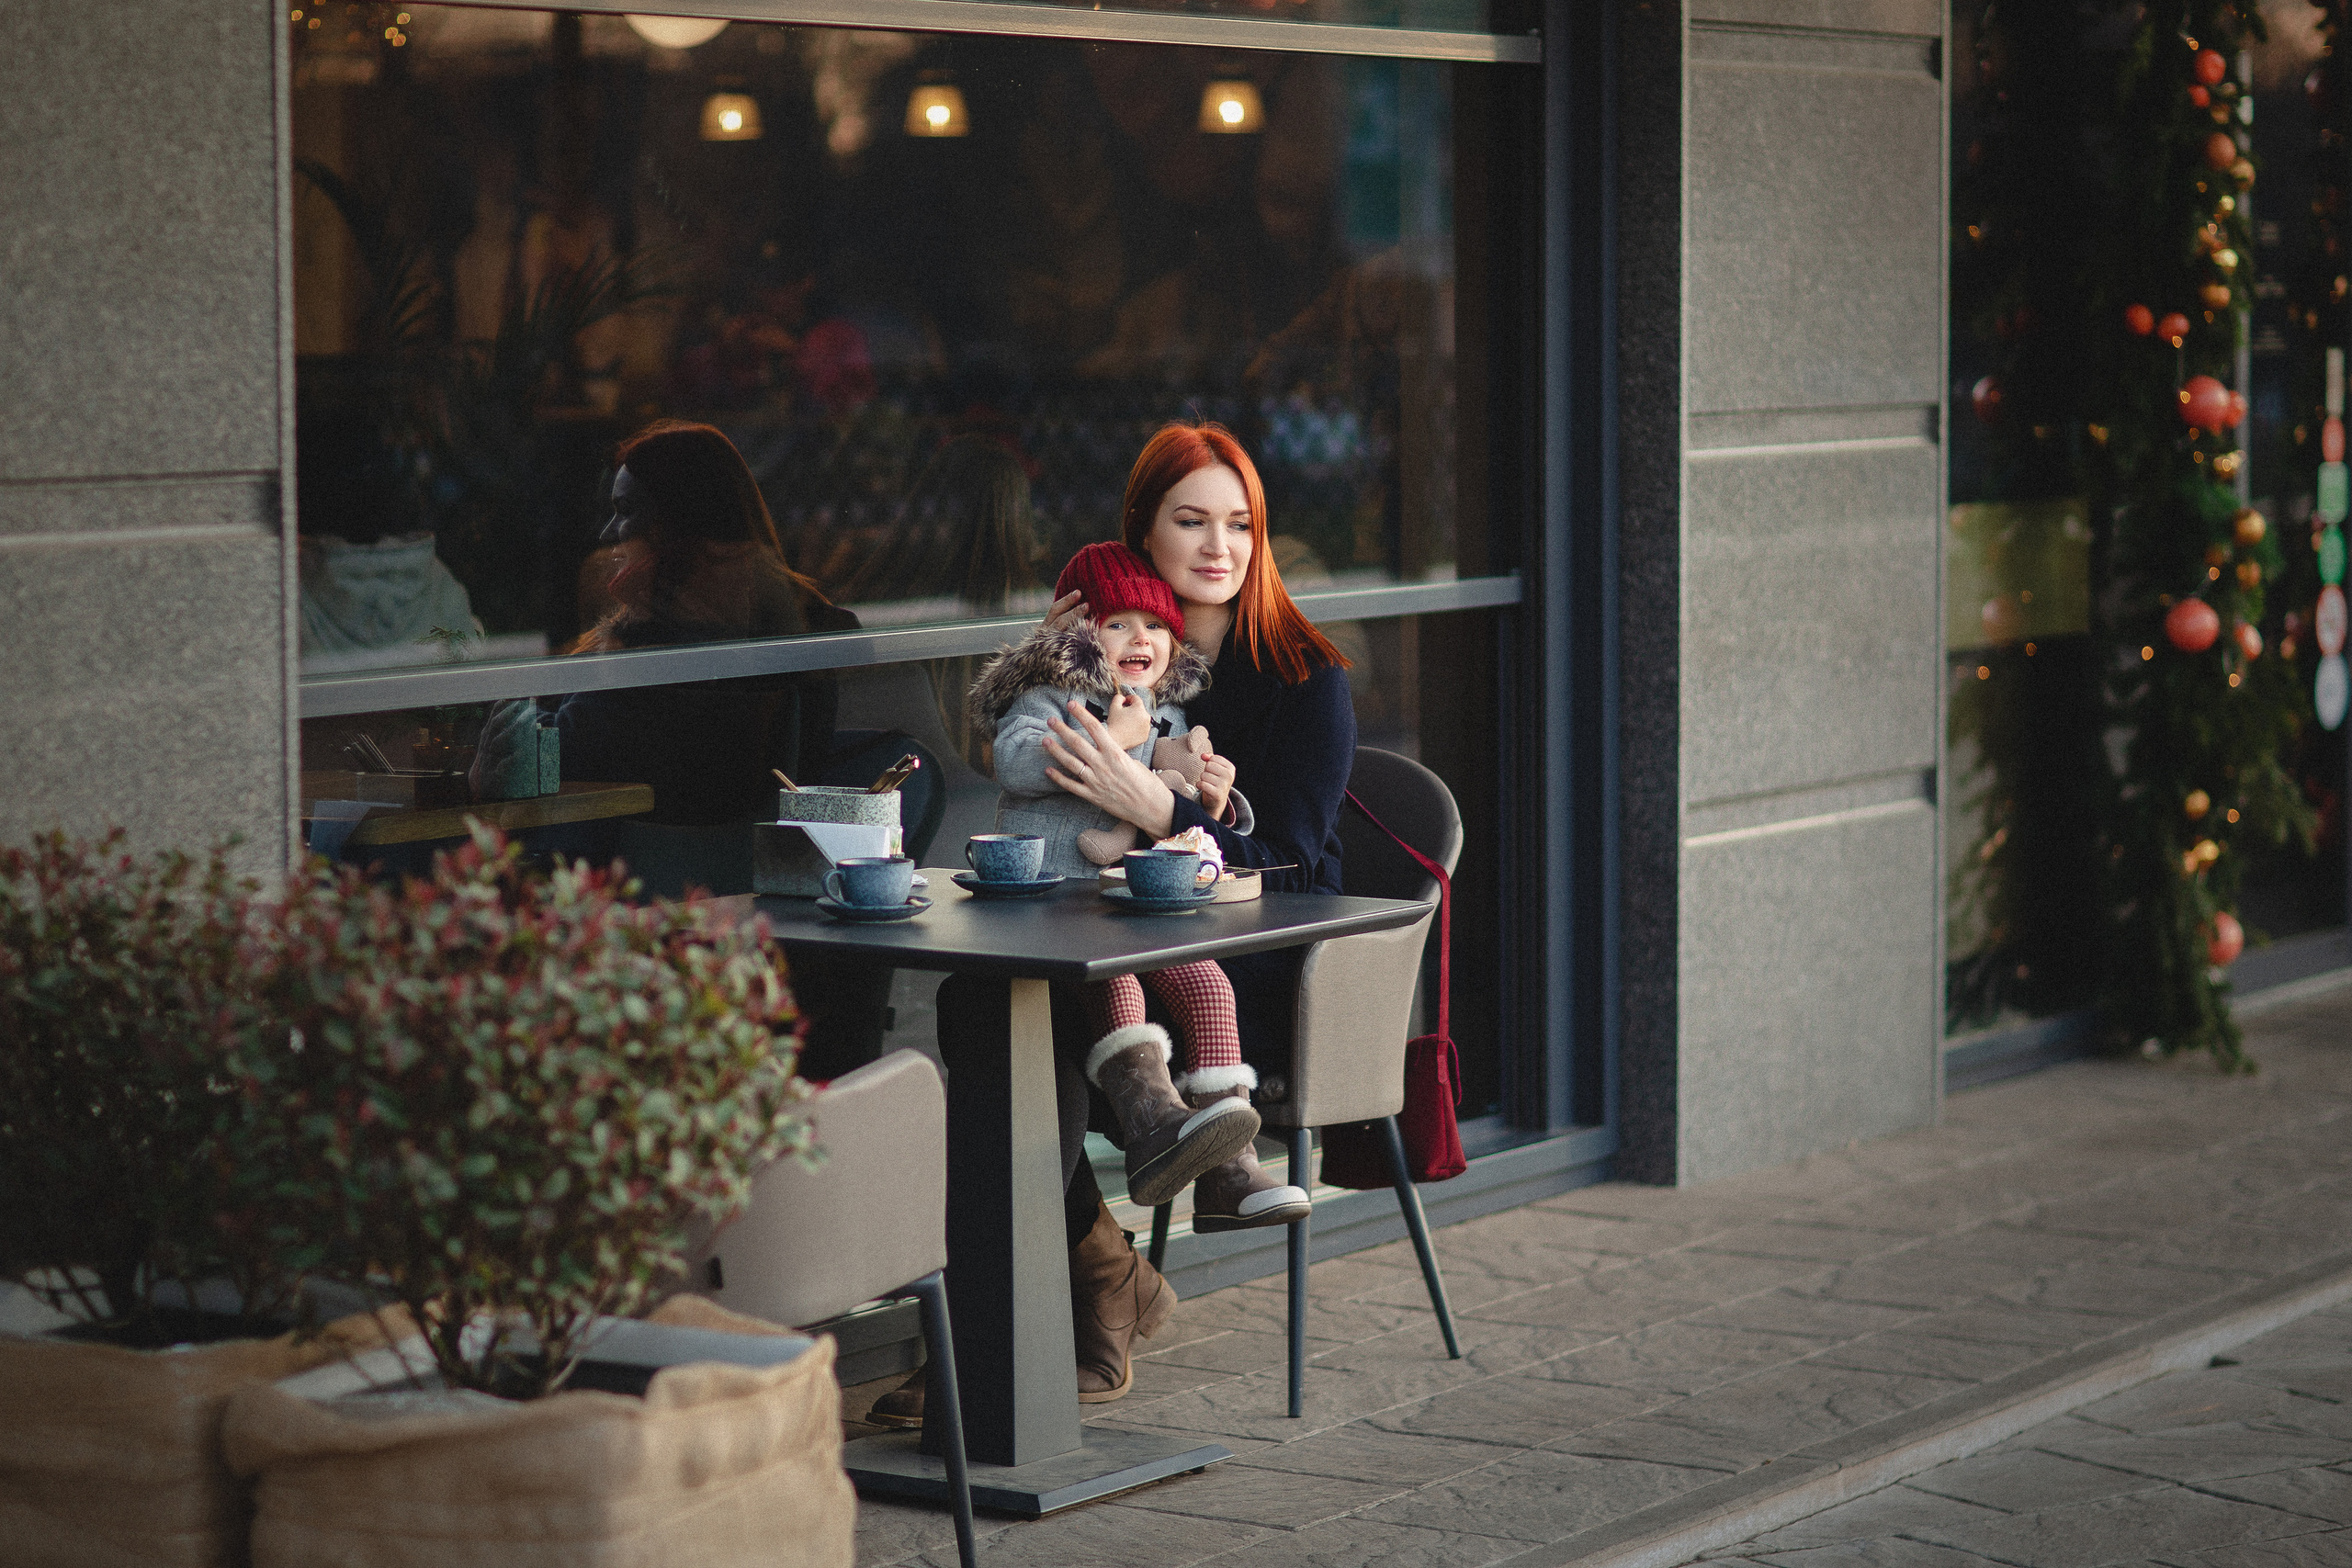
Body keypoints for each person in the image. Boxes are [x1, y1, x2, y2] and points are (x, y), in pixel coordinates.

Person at [892, 422, 1352, 1423]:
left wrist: (1163, 810)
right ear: (1141, 533)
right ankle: (1077, 1281)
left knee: (1015, 1017)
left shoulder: (1306, 680)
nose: (1219, 547)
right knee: (989, 1008)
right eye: (1191, 520)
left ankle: (1021, 1335)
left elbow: (1302, 869)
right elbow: (1018, 760)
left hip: (1245, 980)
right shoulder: (1108, 657)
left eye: (1240, 524)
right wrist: (1055, 656)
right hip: (1110, 949)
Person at [967, 540, 1312, 1232]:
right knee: (1118, 983)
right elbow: (1014, 760)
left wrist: (1212, 799)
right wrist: (1111, 733)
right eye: (1118, 623)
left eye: (1155, 626)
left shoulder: (1162, 710)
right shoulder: (1051, 695)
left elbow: (1168, 789)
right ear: (1078, 632)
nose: (1140, 639)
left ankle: (1228, 1166)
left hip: (1139, 905)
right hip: (1059, 906)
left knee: (1209, 985)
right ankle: (1151, 1120)